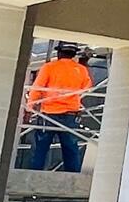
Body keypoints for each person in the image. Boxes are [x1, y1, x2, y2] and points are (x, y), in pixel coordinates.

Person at [26, 43, 93, 172]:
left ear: (59, 53)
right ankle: (72, 177)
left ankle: (34, 174)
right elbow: (87, 87)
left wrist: (29, 108)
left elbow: (37, 88)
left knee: (40, 148)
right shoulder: (81, 70)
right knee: (70, 148)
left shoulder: (49, 67)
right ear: (73, 54)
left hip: (49, 113)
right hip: (70, 114)